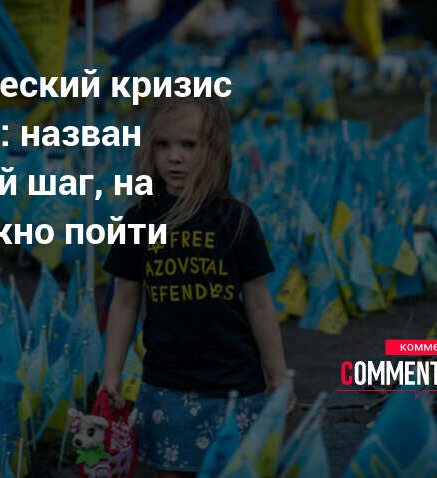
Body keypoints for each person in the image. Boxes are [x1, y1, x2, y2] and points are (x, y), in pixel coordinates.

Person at [100, 95, 294, 477]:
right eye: (163, 144)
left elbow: (258, 302)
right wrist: (111, 371)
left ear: (215, 149)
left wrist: (277, 373)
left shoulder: (236, 220)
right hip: (167, 383)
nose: (174, 157)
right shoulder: (139, 219)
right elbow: (124, 301)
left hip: (235, 383)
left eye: (189, 145)